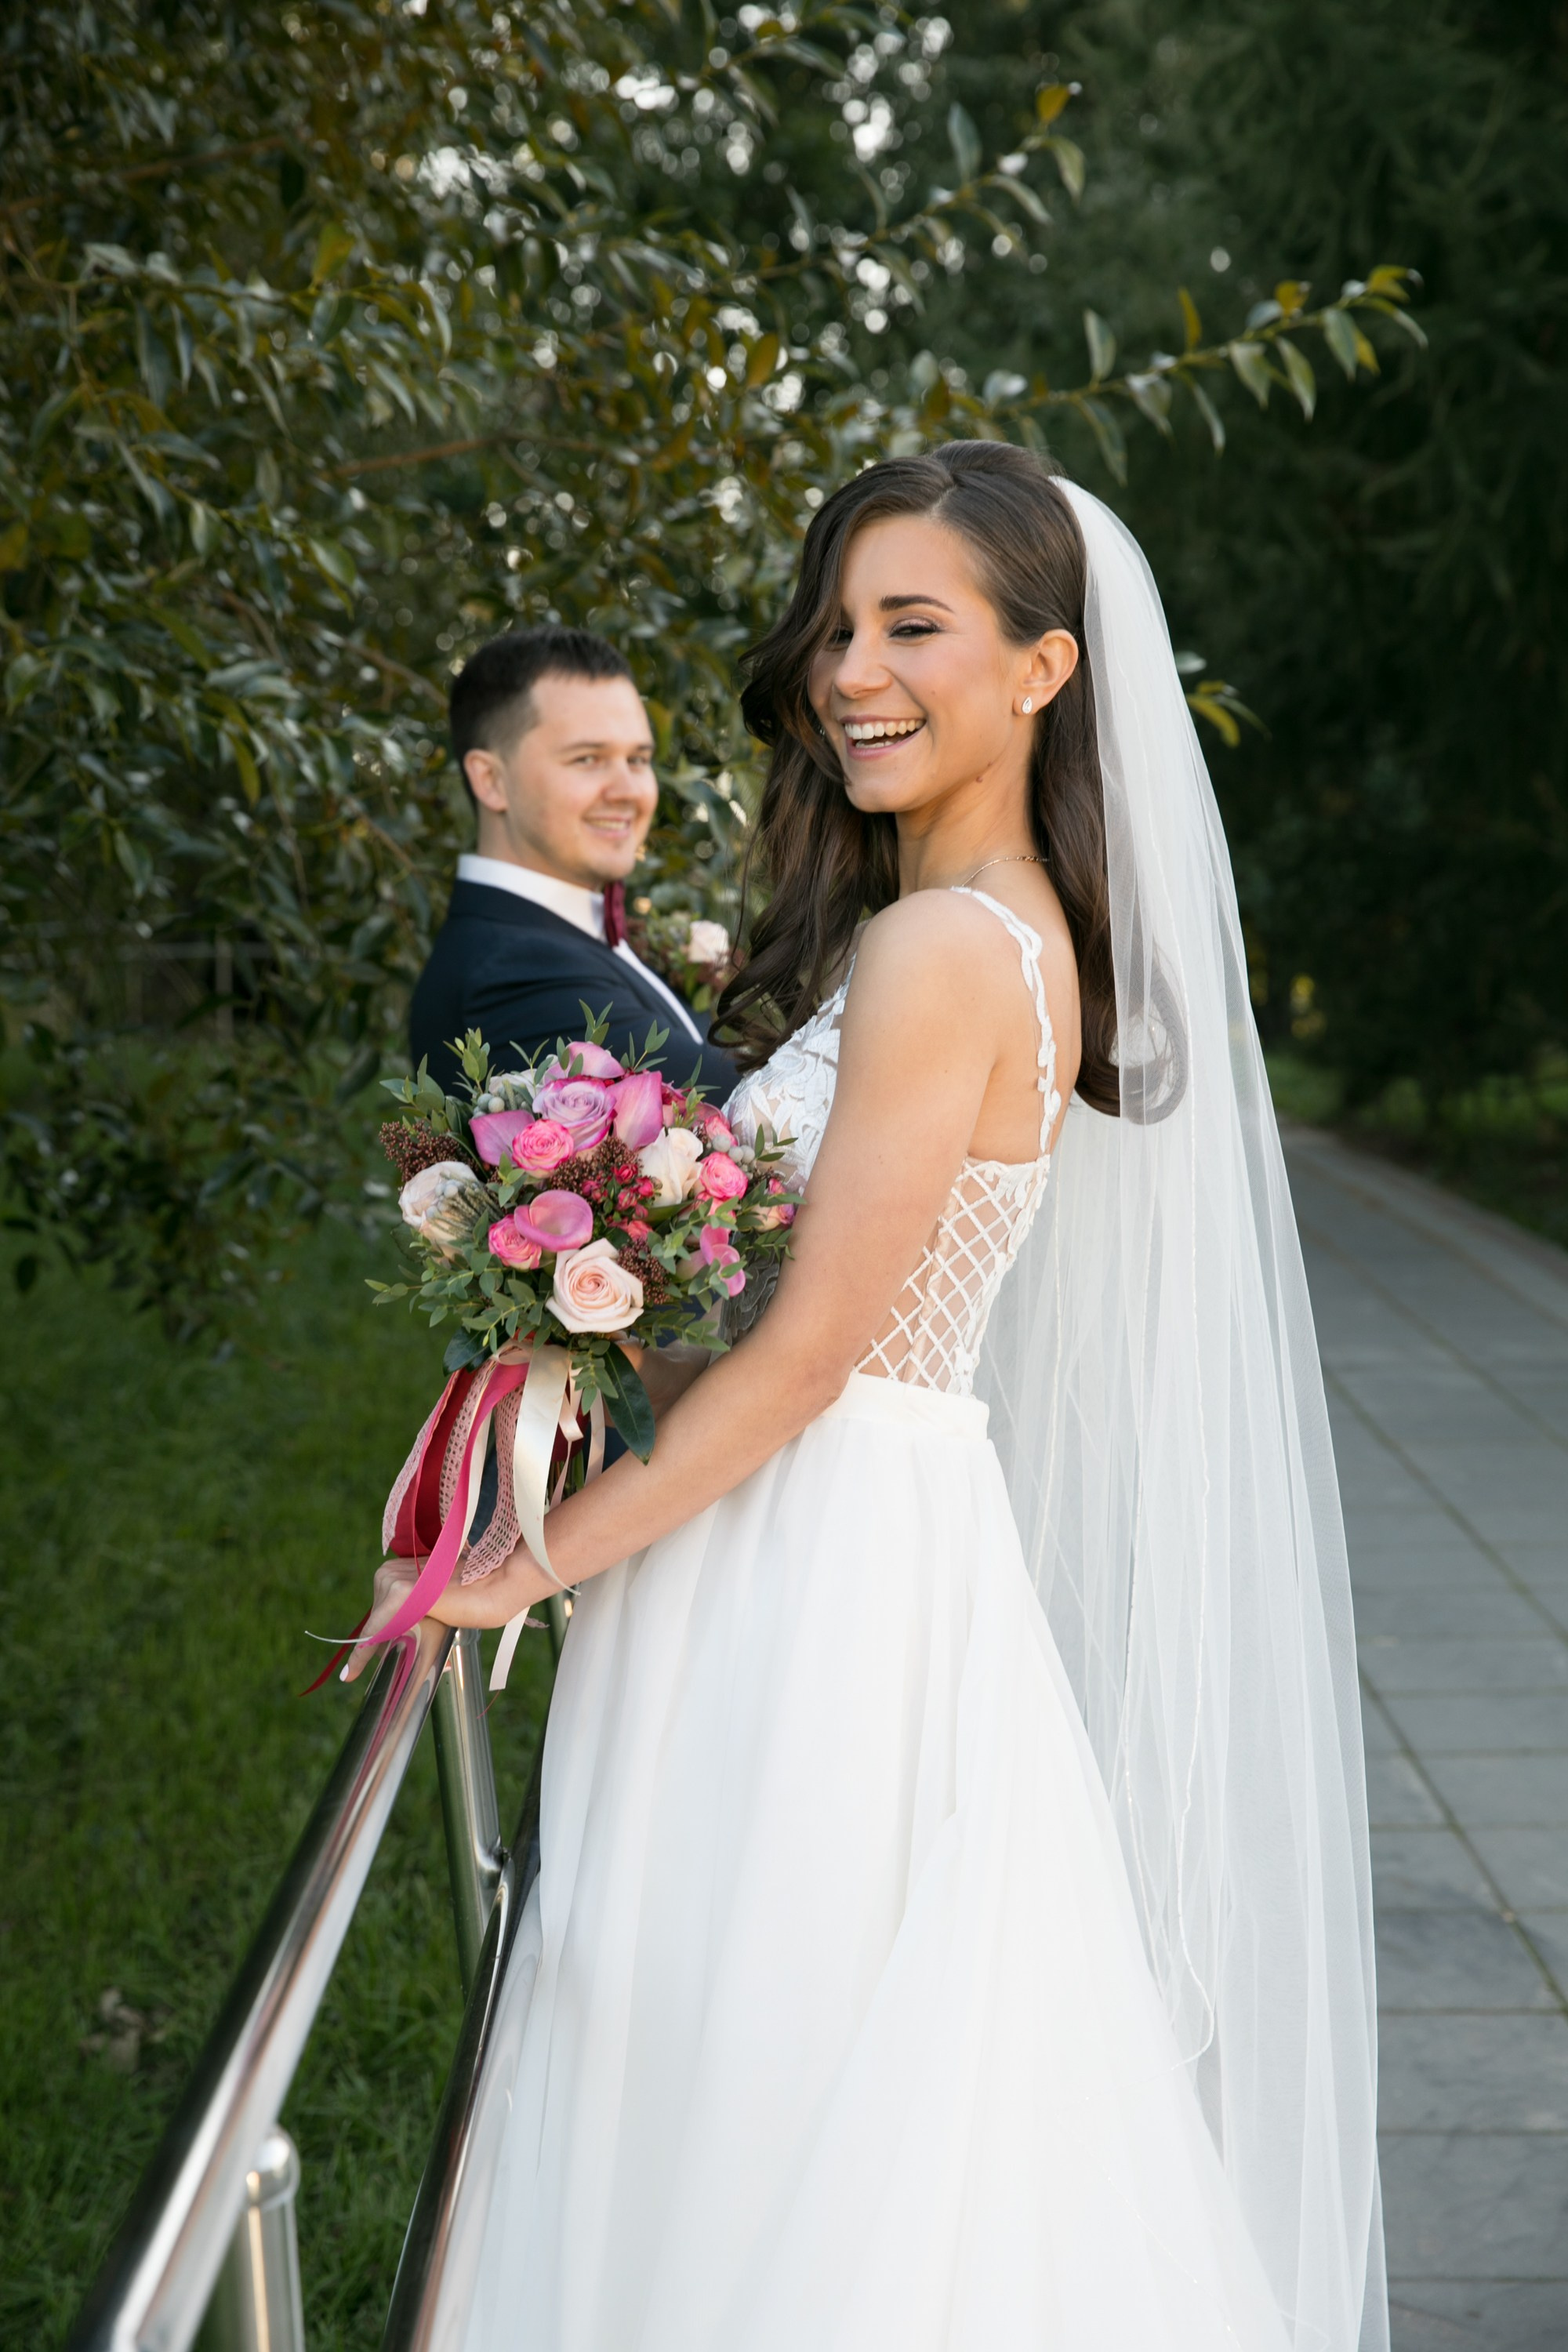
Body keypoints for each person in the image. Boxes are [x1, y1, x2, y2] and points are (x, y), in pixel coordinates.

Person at [353, 445, 1386, 2350]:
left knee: (762, 2057)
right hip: (844, 1529)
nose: (849, 669)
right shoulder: (977, 935)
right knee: (780, 2044)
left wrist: (519, 1563)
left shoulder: (939, 951)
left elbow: (817, 1351)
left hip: (816, 1563)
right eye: (837, 625)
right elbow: (787, 1327)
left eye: (912, 625)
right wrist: (576, 1276)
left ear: (1043, 670)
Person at [408, 625, 737, 1099]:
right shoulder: (511, 971)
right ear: (491, 781)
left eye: (639, 760)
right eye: (587, 759)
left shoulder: (580, 933)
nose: (629, 792)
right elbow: (750, 1102)